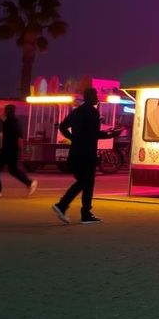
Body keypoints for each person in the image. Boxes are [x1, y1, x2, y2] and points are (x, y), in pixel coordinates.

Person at [52, 88, 119, 225]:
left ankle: (71, 208)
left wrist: (73, 138)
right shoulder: (93, 113)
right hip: (87, 153)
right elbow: (94, 134)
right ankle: (72, 209)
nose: (97, 98)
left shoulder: (76, 112)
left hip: (75, 153)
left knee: (83, 182)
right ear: (90, 97)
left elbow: (63, 126)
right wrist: (111, 134)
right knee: (87, 183)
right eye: (95, 95)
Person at [0, 104, 37, 196]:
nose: (3, 112)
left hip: (8, 150)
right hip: (12, 150)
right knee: (13, 170)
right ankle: (29, 183)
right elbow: (19, 136)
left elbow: (5, 136)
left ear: (8, 111)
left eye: (5, 110)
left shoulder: (9, 121)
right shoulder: (14, 121)